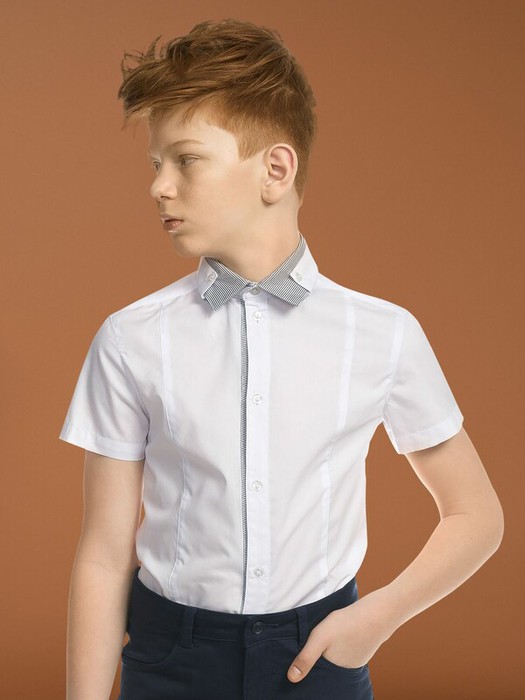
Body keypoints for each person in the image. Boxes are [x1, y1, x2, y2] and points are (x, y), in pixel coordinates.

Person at [59, 18, 504, 700]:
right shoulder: (131, 338)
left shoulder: (381, 333)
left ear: (275, 169)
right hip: (170, 656)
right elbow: (102, 554)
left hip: (319, 653)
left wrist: (373, 620)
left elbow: (475, 515)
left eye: (186, 160)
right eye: (155, 164)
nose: (159, 186)